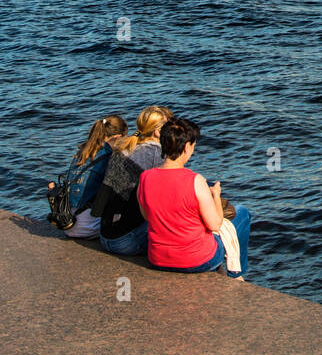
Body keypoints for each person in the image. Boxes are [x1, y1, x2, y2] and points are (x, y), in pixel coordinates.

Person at [137, 117, 250, 278]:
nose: (192, 151)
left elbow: (147, 216)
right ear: (186, 148)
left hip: (158, 259)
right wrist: (215, 195)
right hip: (198, 260)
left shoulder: (145, 178)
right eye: (193, 146)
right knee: (242, 213)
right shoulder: (195, 181)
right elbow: (215, 225)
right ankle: (237, 274)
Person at [92, 106, 173, 256]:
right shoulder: (156, 154)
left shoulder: (124, 146)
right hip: (126, 241)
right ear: (157, 131)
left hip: (105, 236)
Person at [48, 115, 127, 239]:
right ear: (117, 137)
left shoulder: (81, 153)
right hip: (89, 228)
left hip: (68, 224)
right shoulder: (109, 157)